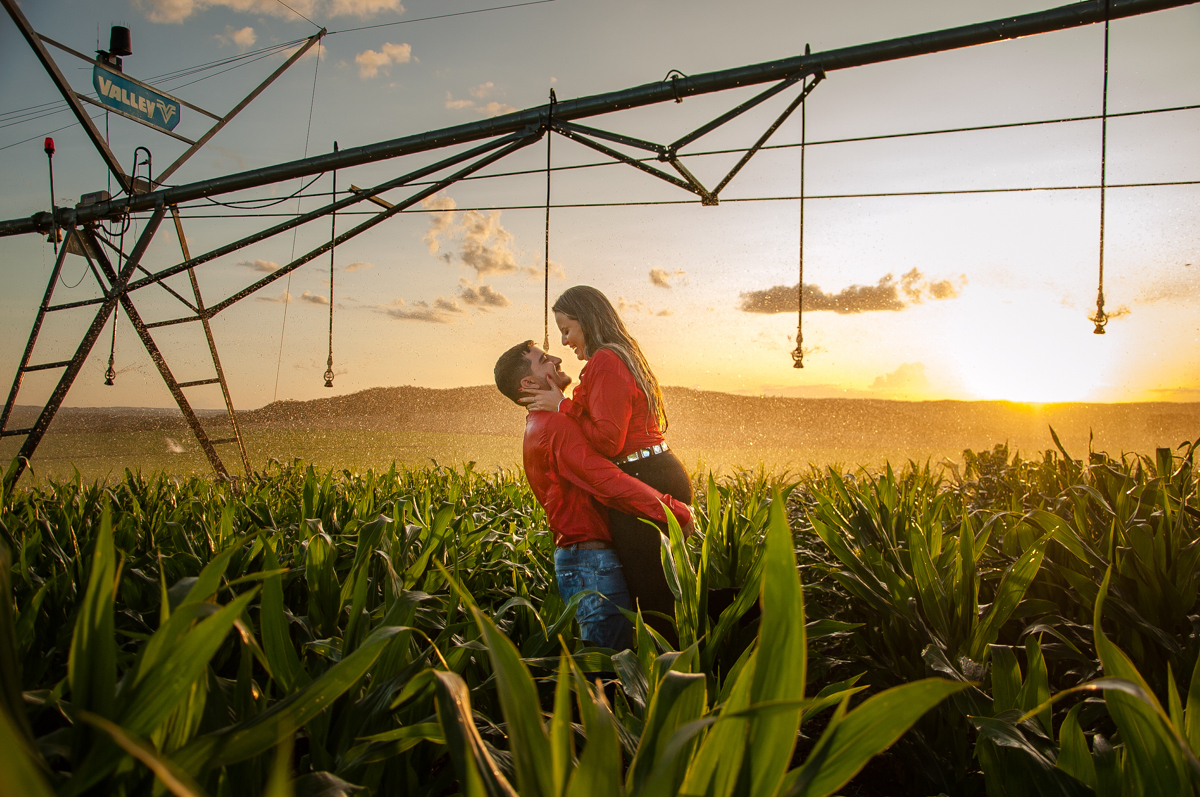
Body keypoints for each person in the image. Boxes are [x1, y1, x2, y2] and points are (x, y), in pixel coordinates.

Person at [519, 285, 692, 647]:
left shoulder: (606, 360)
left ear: (587, 320)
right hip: (649, 472)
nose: (564, 342)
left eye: (567, 330)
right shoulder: (615, 358)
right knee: (658, 598)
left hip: (645, 474)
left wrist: (562, 406)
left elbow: (608, 440)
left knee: (655, 605)